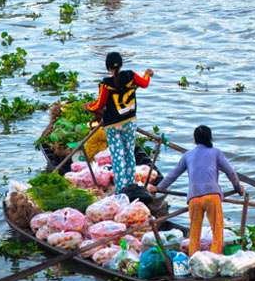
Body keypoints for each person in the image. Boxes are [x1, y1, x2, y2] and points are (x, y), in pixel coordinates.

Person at [149, 125, 243, 256]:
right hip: (212, 197)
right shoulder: (216, 152)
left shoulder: (188, 155)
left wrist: (158, 188)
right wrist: (238, 188)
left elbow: (173, 174)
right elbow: (230, 172)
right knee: (217, 233)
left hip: (194, 199)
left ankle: (194, 260)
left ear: (195, 140)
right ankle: (215, 260)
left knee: (194, 234)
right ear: (210, 138)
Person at [86, 52, 153, 194]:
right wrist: (147, 74)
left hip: (112, 125)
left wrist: (88, 107)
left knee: (117, 156)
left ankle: (121, 188)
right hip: (129, 122)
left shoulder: (106, 84)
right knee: (129, 152)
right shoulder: (131, 76)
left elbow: (99, 104)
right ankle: (131, 184)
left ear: (107, 67)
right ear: (121, 64)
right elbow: (145, 83)